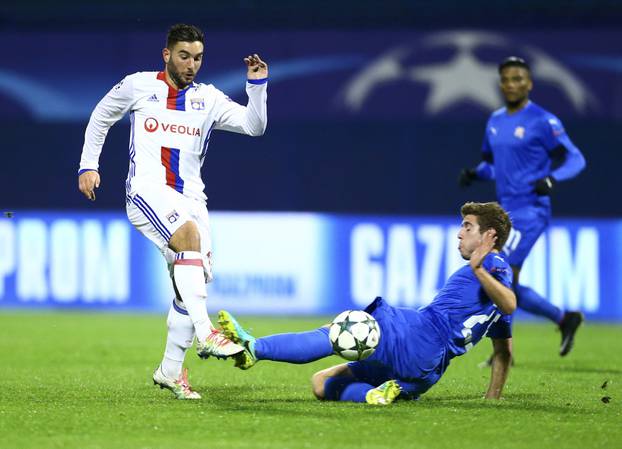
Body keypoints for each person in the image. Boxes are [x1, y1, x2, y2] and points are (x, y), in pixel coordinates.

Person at [77, 24, 269, 399]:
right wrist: (88, 165)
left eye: (197, 58)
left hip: (192, 200)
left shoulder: (209, 99)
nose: (191, 64)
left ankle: (169, 371)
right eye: (184, 56)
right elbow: (101, 116)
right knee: (188, 239)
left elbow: (254, 126)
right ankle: (206, 333)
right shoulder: (138, 85)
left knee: (190, 282)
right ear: (167, 55)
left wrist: (256, 86)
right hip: (146, 192)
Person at [218, 202, 516, 405]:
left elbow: (511, 303)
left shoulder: (493, 264)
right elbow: (503, 351)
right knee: (322, 384)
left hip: (414, 334)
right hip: (426, 372)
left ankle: (254, 348)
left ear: (489, 235)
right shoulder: (494, 297)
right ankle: (379, 394)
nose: (459, 232)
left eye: (467, 226)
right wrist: (492, 399)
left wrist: (478, 268)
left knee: (339, 331)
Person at [459, 56, 586, 358]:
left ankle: (502, 350)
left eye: (518, 78)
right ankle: (563, 318)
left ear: (529, 83)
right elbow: (495, 167)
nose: (512, 84)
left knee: (499, 273)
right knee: (506, 279)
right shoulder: (495, 121)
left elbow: (576, 158)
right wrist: (476, 173)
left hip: (530, 211)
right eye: (506, 79)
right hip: (505, 212)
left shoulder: (544, 121)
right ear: (501, 84)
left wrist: (552, 179)